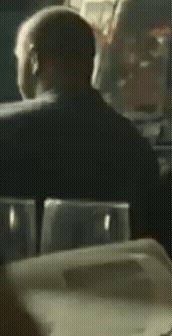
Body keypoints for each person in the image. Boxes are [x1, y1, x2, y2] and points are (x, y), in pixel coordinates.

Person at [0, 6, 160, 238]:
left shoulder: (4, 128)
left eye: (20, 59)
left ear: (34, 59)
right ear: (91, 64)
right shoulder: (137, 149)